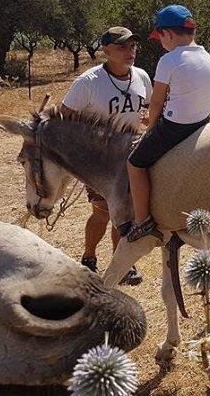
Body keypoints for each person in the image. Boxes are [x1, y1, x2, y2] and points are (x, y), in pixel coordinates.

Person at [61, 26, 152, 284]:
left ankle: (120, 263)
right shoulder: (88, 82)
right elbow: (65, 116)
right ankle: (89, 257)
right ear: (106, 50)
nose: (130, 51)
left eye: (132, 46)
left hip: (133, 156)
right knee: (103, 213)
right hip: (100, 162)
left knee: (126, 214)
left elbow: (150, 105)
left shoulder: (142, 77)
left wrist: (146, 118)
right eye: (123, 46)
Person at [126, 4, 210, 242]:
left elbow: (155, 103)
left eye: (159, 37)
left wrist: (150, 127)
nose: (160, 42)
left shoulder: (169, 60)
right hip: (202, 122)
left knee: (135, 163)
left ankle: (142, 220)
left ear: (167, 33)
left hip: (177, 127)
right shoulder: (207, 56)